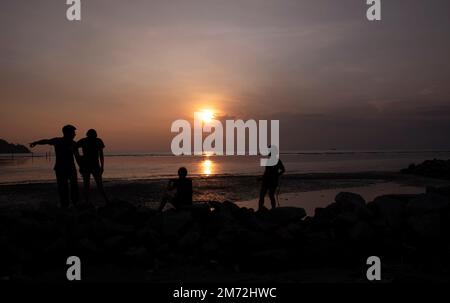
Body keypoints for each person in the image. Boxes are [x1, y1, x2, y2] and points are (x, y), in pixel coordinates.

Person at [30, 124, 81, 208]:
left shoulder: (71, 143)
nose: (75, 134)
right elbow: (46, 141)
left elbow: (77, 156)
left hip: (68, 168)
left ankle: (73, 203)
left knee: (72, 186)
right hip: (62, 168)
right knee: (64, 187)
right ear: (67, 133)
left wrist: (36, 143)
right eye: (73, 132)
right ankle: (66, 204)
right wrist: (36, 143)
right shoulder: (59, 141)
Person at [76, 129, 108, 204]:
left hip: (94, 166)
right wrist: (79, 158)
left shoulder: (97, 141)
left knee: (97, 184)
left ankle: (105, 200)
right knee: (88, 185)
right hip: (87, 166)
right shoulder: (85, 141)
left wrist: (102, 166)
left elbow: (101, 155)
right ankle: (88, 201)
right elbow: (74, 147)